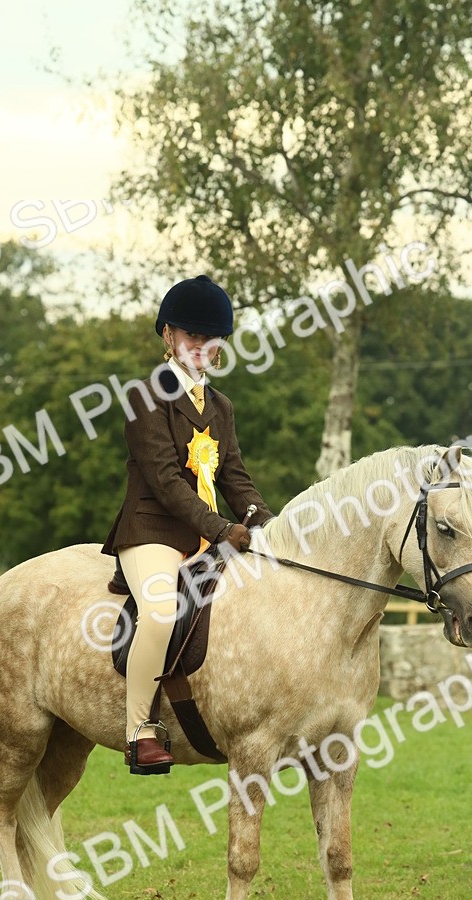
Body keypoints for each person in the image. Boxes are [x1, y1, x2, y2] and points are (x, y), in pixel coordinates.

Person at [101, 274, 274, 774]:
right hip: (152, 531)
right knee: (158, 611)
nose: (199, 344)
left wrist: (264, 523)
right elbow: (165, 482)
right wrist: (222, 530)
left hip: (207, 533)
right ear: (169, 337)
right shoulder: (144, 397)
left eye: (208, 337)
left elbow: (234, 476)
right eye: (189, 335)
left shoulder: (220, 406)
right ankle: (140, 730)